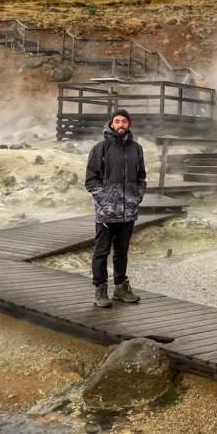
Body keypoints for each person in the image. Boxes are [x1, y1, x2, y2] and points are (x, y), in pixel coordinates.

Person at [84, 109, 146, 308]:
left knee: (122, 251)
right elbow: (91, 180)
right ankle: (100, 289)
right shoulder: (100, 148)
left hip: (129, 211)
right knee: (101, 252)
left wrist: (136, 198)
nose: (120, 125)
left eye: (124, 121)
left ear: (129, 124)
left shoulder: (136, 149)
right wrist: (105, 202)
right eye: (117, 121)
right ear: (111, 124)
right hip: (107, 212)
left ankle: (120, 287)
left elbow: (141, 177)